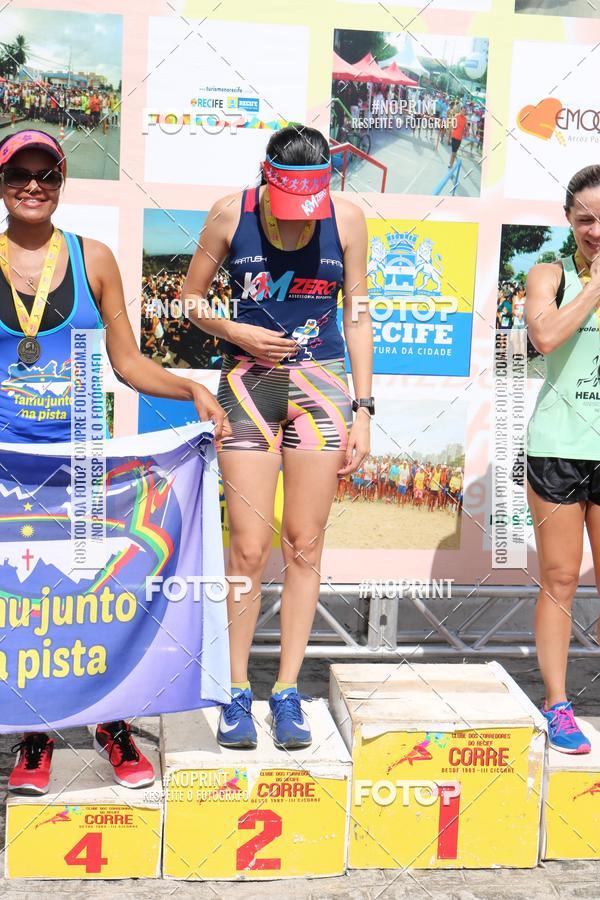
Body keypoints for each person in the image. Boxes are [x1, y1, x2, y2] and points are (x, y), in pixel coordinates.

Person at [0, 129, 229, 794]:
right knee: (24, 608)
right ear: (2, 182)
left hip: (84, 466)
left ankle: (112, 725)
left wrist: (190, 387)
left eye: (47, 174)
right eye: (20, 174)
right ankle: (33, 737)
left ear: (63, 182)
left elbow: (127, 364)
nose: (34, 185)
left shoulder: (92, 257)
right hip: (10, 469)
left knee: (95, 598)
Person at [183, 125, 372, 750]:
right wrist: (237, 332)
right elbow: (187, 303)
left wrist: (365, 408)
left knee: (304, 547)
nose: (296, 224)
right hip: (250, 385)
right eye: (288, 210)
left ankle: (287, 690)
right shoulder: (225, 215)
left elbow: (358, 310)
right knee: (247, 550)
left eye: (307, 210)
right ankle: (236, 688)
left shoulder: (345, 217)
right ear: (266, 180)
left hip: (321, 387)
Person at [525, 164, 600, 754]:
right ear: (569, 221)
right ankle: (558, 704)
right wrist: (596, 285)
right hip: (558, 447)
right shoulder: (548, 274)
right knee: (558, 580)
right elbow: (545, 337)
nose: (597, 229)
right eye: (586, 219)